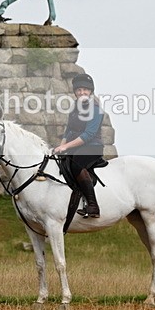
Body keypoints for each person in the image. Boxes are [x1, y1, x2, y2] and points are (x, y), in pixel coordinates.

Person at [52, 73, 105, 218]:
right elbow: (68, 130)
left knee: (76, 164)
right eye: (79, 90)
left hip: (93, 147)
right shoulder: (75, 108)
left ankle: (93, 206)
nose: (82, 92)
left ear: (90, 91)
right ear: (75, 92)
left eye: (85, 90)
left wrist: (66, 147)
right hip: (75, 146)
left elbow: (88, 135)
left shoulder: (95, 109)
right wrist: (60, 147)